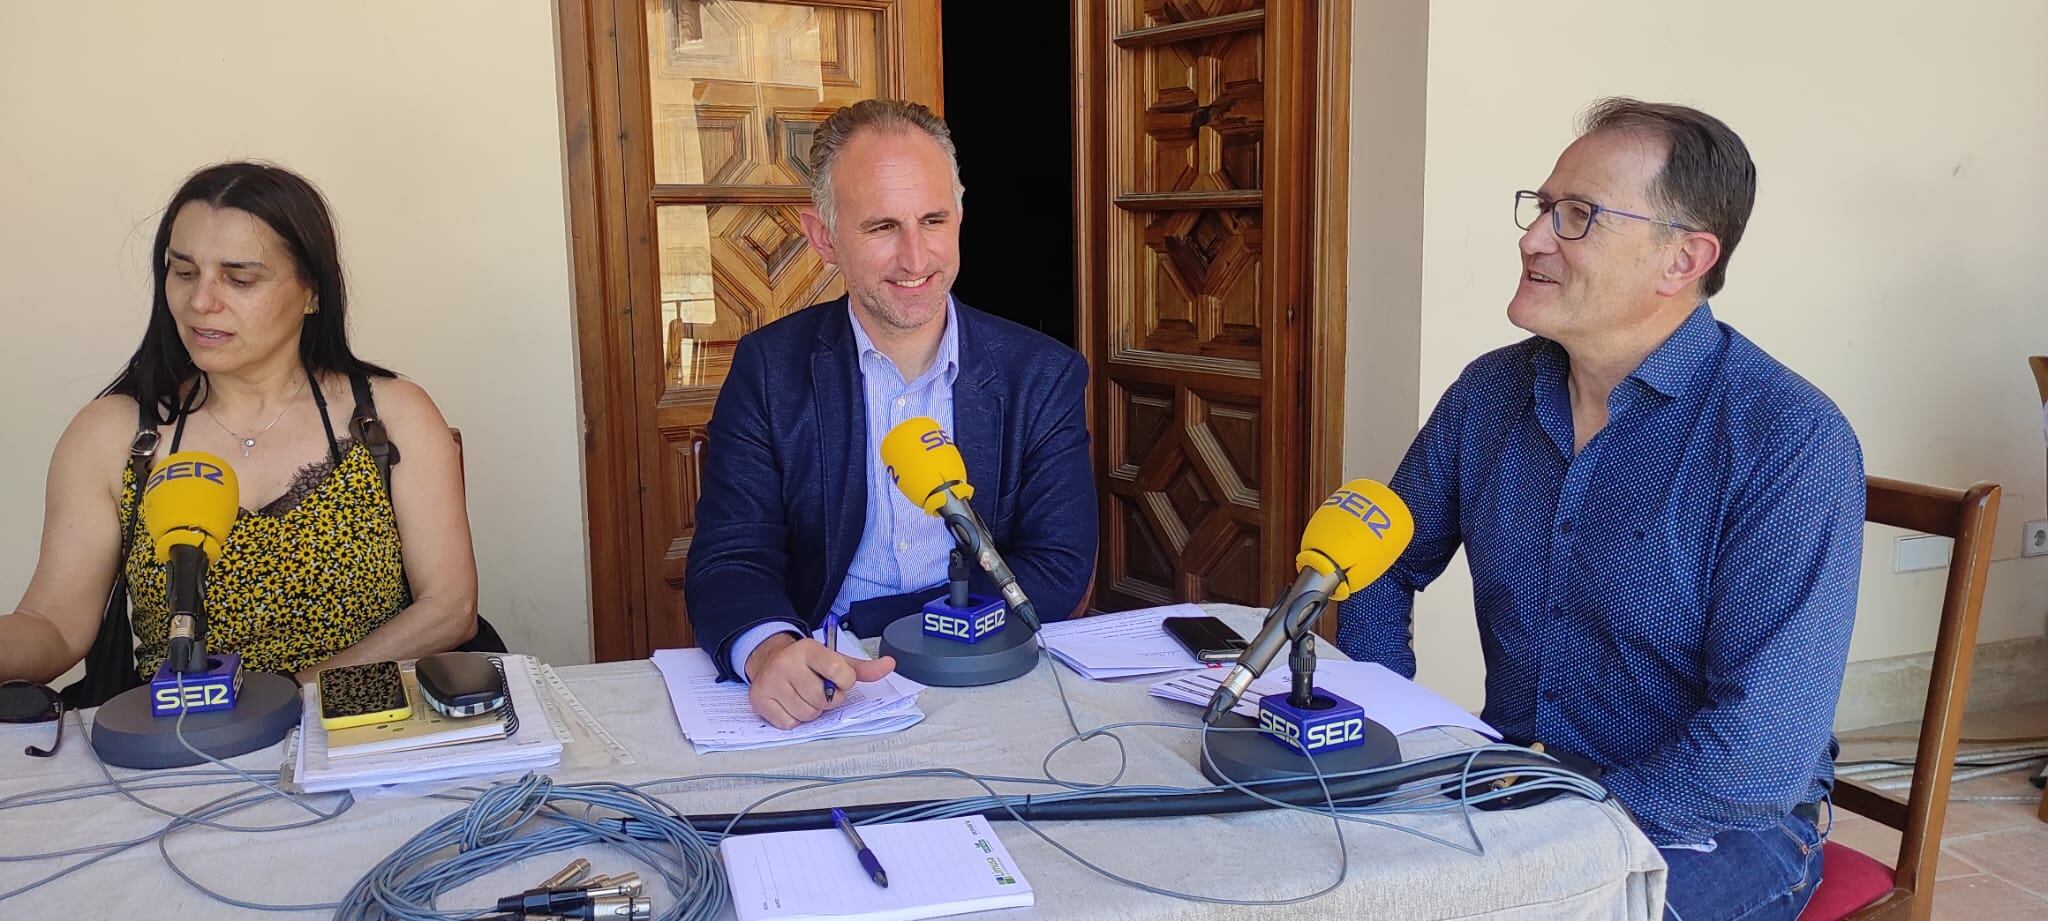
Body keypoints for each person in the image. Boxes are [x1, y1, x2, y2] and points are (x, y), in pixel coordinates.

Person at [1335, 99, 1863, 921]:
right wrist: (1382, 717)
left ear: (1683, 259)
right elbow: (1376, 556)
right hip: (1517, 777)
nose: (1533, 237)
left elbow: (1755, 757)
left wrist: (1555, 825)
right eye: (1543, 206)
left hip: (1717, 825)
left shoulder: (1787, 440)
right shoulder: (1489, 393)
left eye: (1577, 215)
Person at [686, 99, 1096, 729]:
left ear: (960, 215)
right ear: (823, 237)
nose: (915, 258)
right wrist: (771, 653)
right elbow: (730, 557)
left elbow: (1057, 564)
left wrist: (882, 629)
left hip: (985, 674)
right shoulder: (770, 370)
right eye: (881, 228)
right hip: (825, 686)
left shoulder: (1042, 374)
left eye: (933, 219)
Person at [0, 162, 480, 695]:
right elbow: (54, 624)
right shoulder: (116, 435)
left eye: (240, 278)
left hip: (360, 726)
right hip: (178, 739)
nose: (201, 302)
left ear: (311, 292)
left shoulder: (389, 417)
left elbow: (449, 609)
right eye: (183, 273)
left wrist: (289, 696)